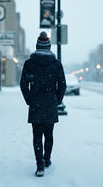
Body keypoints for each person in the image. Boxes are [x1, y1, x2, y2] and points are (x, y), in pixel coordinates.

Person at [20, 31, 66, 177]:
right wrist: (57, 100)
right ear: (49, 47)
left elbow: (23, 84)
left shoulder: (29, 63)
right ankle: (47, 159)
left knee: (37, 135)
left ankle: (40, 165)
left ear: (37, 46)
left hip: (36, 104)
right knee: (49, 133)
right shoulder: (56, 64)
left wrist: (29, 100)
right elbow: (62, 85)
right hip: (50, 104)